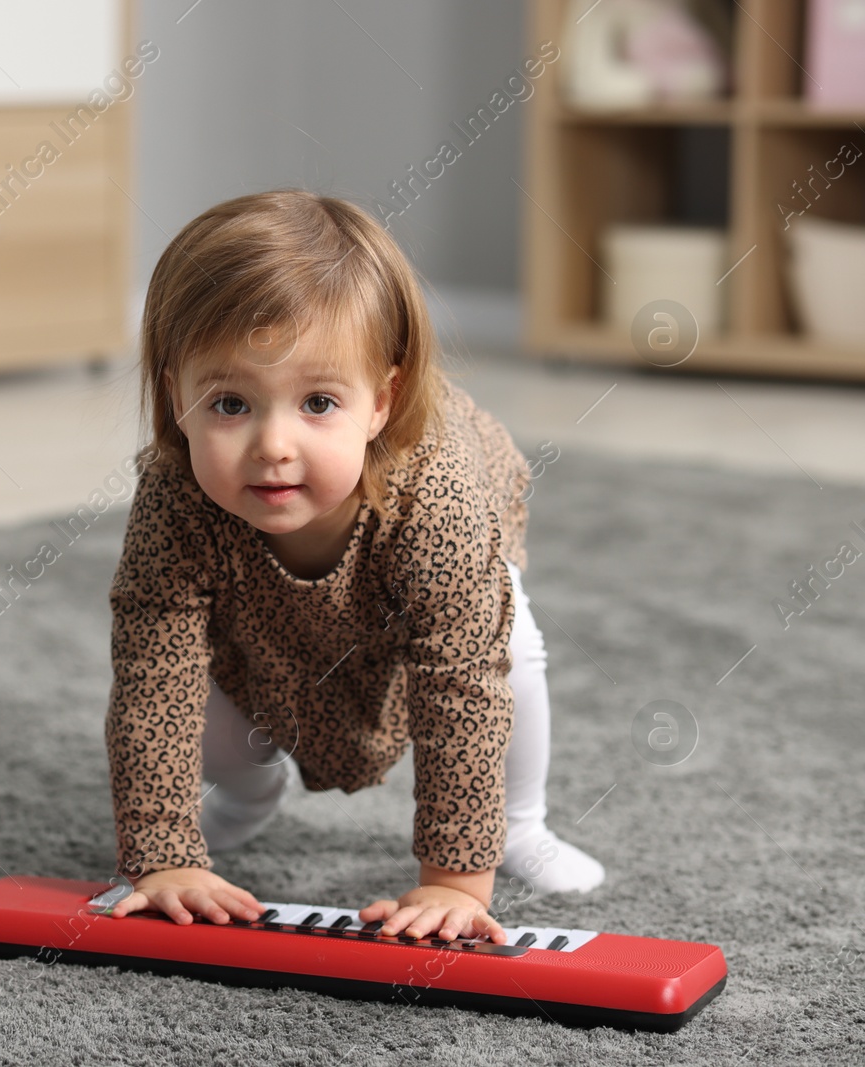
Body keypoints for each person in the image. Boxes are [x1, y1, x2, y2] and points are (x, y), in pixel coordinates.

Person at [104, 190, 604, 944]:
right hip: (259, 613)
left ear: (380, 401)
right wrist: (163, 853)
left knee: (515, 648)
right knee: (196, 704)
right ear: (177, 394)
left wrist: (455, 881)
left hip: (438, 588)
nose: (273, 444)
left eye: (318, 402)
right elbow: (152, 672)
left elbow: (462, 682)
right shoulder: (176, 493)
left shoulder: (436, 497)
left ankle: (523, 823)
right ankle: (249, 794)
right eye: (231, 403)